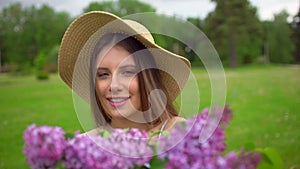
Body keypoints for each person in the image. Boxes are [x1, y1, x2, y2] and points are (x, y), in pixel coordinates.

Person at [58, 11, 191, 137]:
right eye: (103, 74)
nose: (114, 85)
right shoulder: (83, 146)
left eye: (127, 72)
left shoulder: (181, 134)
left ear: (148, 77)